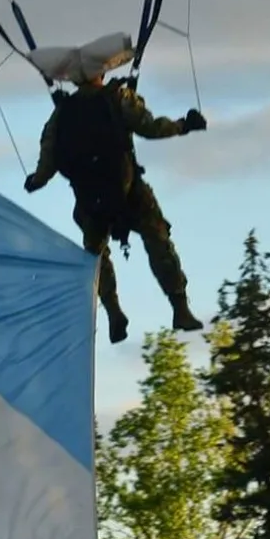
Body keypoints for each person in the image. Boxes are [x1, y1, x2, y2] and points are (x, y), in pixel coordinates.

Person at [23, 70, 207, 344]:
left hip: (90, 201)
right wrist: (184, 125)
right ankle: (179, 307)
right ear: (101, 71)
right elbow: (150, 128)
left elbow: (47, 162)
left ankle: (113, 311)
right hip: (129, 192)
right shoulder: (119, 97)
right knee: (158, 240)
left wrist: (35, 181)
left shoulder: (62, 113)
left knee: (95, 257)